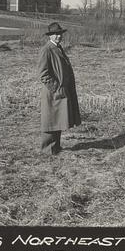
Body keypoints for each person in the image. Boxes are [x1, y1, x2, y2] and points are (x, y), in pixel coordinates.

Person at [37, 22, 81, 155]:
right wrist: (56, 88)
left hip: (60, 91)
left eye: (60, 34)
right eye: (55, 34)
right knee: (50, 120)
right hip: (53, 92)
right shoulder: (47, 50)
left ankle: (56, 147)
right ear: (50, 36)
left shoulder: (58, 48)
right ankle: (47, 149)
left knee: (58, 119)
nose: (58, 36)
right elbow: (43, 74)